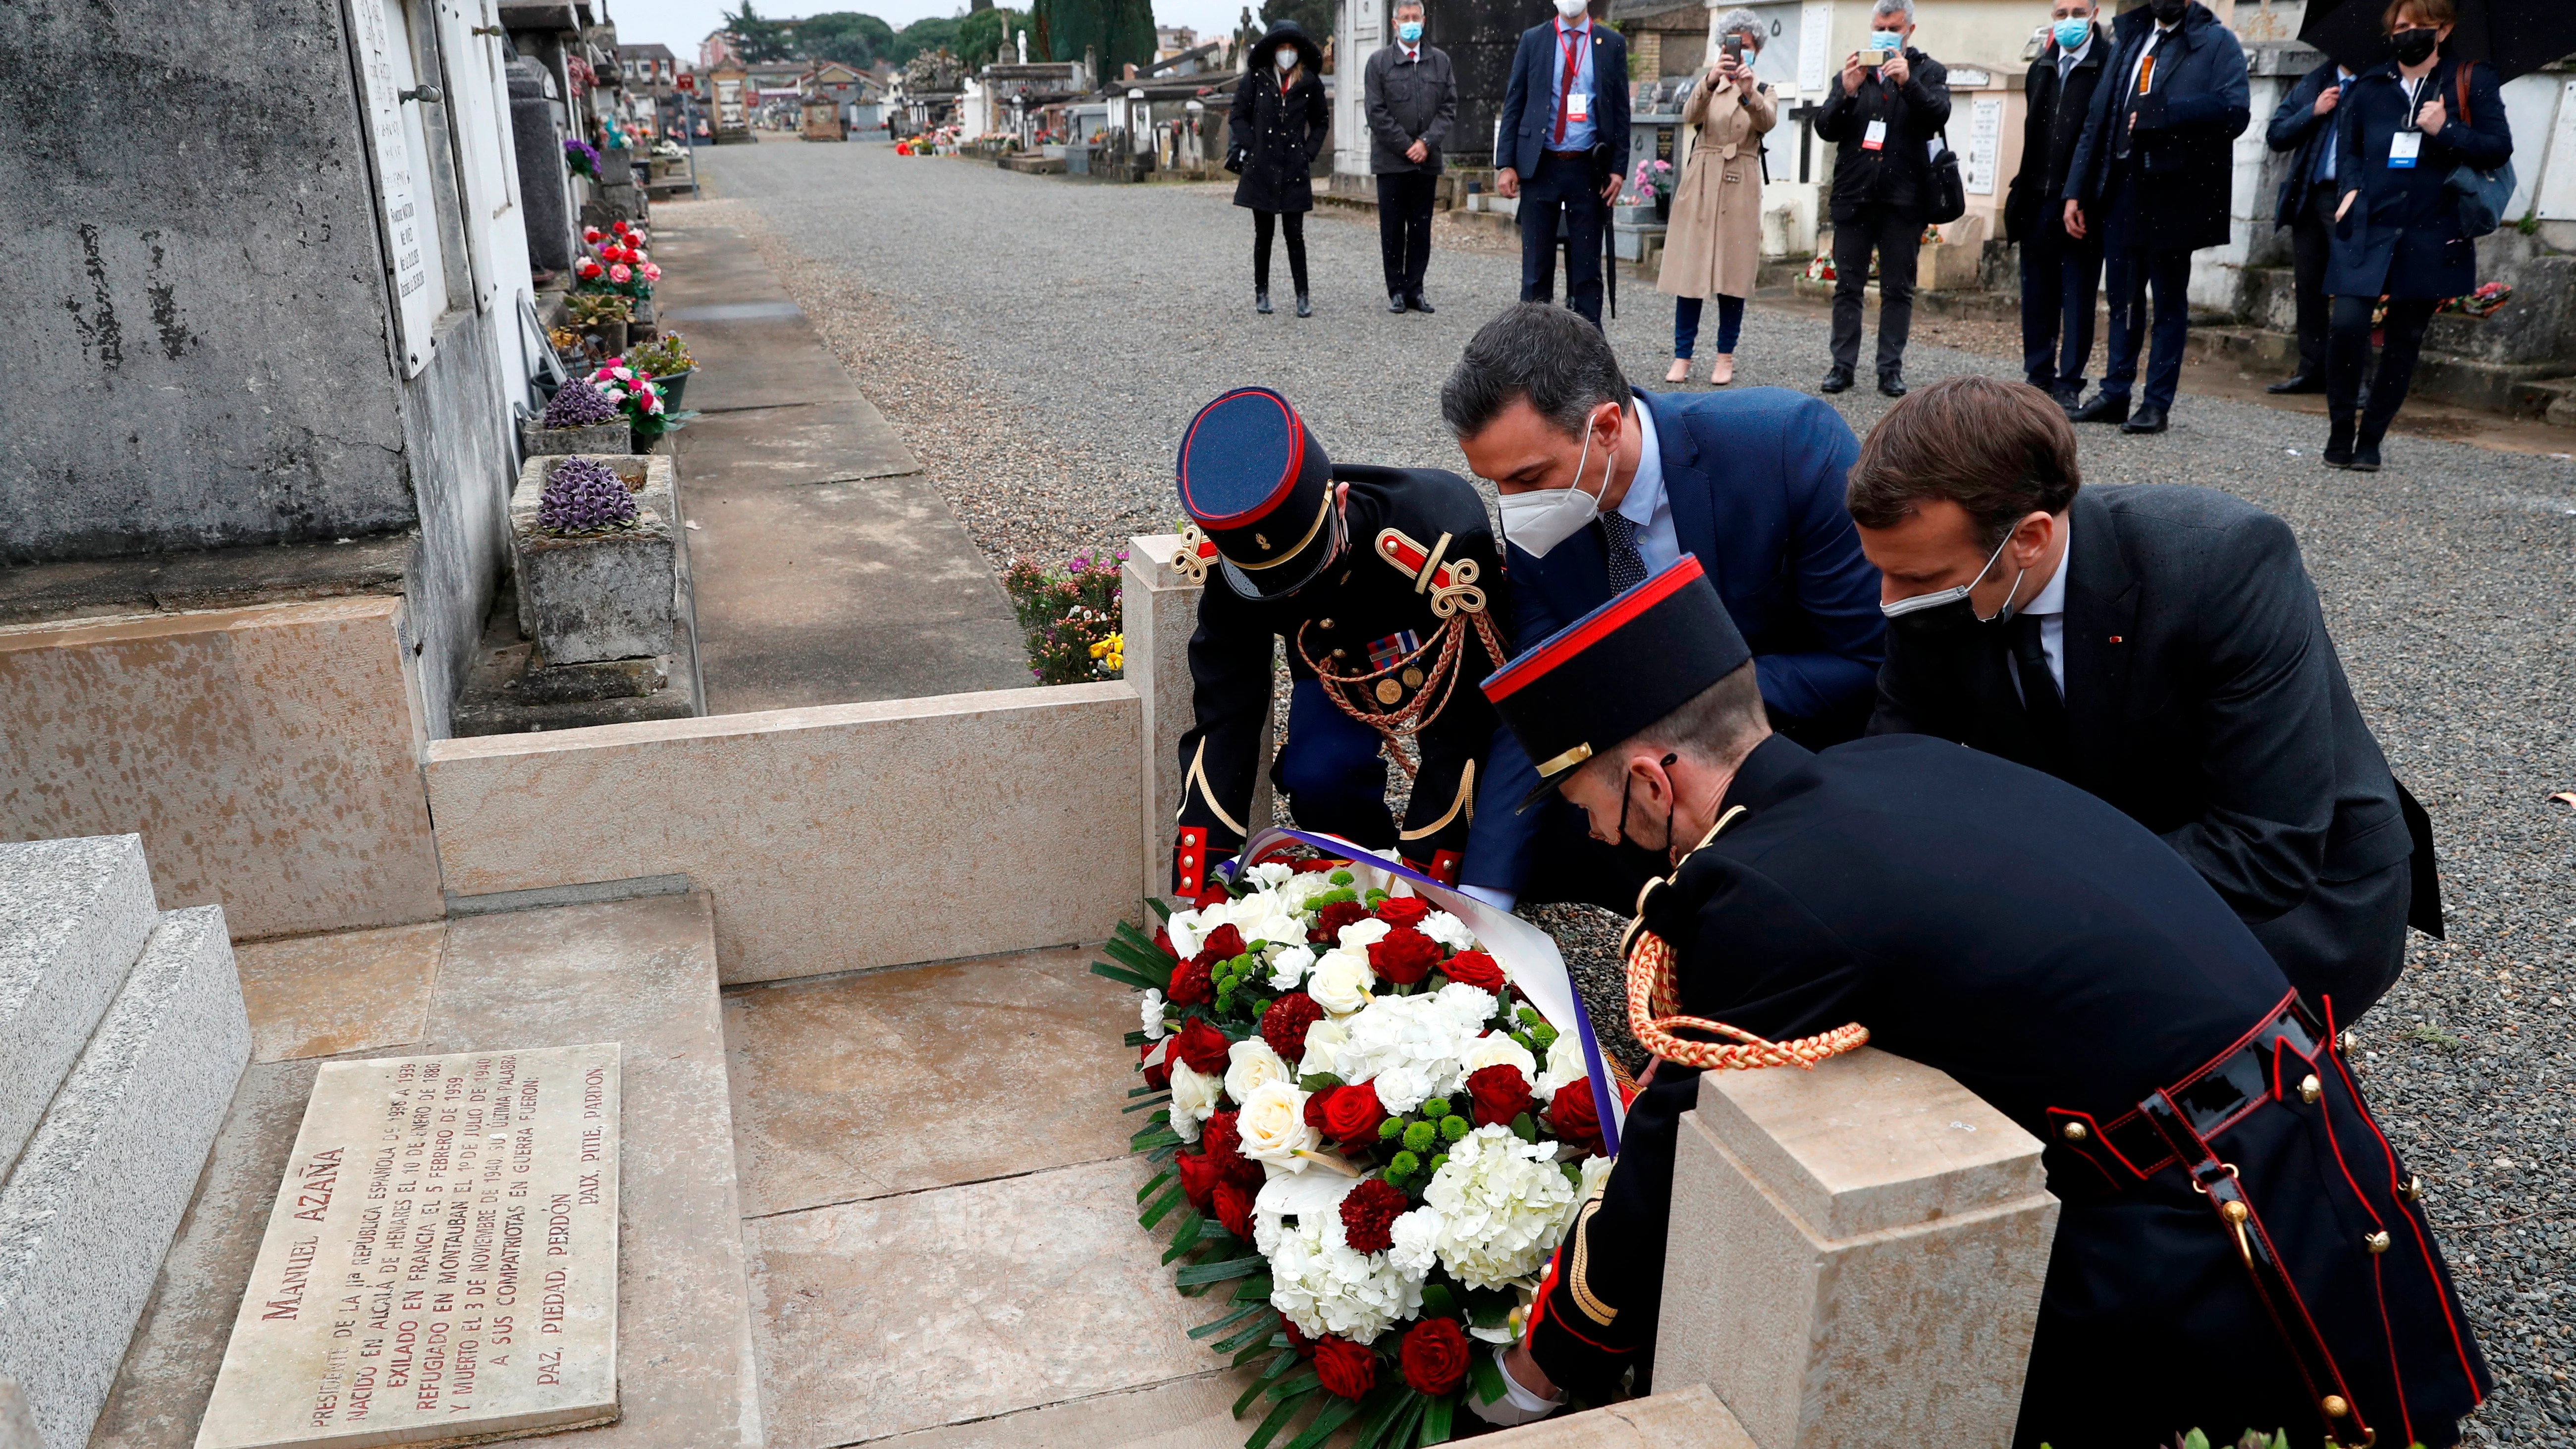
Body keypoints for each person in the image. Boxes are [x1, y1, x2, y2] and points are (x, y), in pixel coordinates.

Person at [1470, 559, 2491, 1447]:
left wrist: (1541, 1366)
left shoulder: (1752, 891)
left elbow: (1666, 1144)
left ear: (1652, 779)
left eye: (1590, 804)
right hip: (2313, 1138)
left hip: (2199, 1227)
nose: (1599, 837)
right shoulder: (1886, 763)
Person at [1846, 375, 2437, 1019]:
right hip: (2101, 857)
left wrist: (2013, 894)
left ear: (2030, 538)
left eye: (1918, 578)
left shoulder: (2224, 562)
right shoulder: (1931, 588)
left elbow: (2268, 848)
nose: (1890, 602)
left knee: (2035, 1017)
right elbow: (1895, 774)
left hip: (2296, 897)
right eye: (1881, 571)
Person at [1440, 302, 1885, 913]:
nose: (1512, 506)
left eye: (1527, 477)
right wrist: (1483, 898)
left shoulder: (1784, 447)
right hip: (1641, 779)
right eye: (1496, 485)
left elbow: (1868, 659)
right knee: (1525, 841)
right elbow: (1545, 690)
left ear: (1605, 428)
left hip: (1797, 756)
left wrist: (1674, 697)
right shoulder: (1546, 516)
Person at [1167, 386, 1511, 895]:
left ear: (1341, 500)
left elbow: (1463, 731)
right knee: (1320, 777)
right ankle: (1366, 864)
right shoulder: (1236, 563)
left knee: (1483, 789)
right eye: (1277, 587)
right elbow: (1224, 716)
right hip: (1334, 665)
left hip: (1434, 654)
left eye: (1307, 571)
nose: (1294, 595)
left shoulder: (1442, 544)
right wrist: (1203, 887)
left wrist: (1425, 888)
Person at [2322, 0, 2513, 471]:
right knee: (2347, 325)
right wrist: (2348, 191)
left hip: (2433, 227)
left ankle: (2372, 438)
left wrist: (2444, 129)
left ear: (2443, 30)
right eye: (2402, 26)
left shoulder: (2472, 80)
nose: (2410, 33)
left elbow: (2497, 148)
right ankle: (2341, 428)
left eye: (2422, 26)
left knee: (2404, 337)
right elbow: (2349, 149)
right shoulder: (2369, 84)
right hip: (2368, 223)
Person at [2061, 0, 2249, 434]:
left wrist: (2168, 112)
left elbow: (2235, 111)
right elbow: (2097, 119)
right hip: (2120, 186)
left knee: (2167, 301)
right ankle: (2115, 392)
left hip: (2173, 190)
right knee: (2123, 298)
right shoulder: (2130, 38)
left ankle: (2156, 403)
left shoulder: (2216, 42)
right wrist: (2076, 191)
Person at [1813, 0, 1949, 398]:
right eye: (1878, 26)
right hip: (1855, 195)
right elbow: (1826, 127)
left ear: (1909, 30)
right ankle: (1842, 367)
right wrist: (1847, 92)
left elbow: (1937, 117)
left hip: (1903, 199)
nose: (1884, 33)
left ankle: (1890, 369)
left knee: (1897, 289)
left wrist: (1910, 83)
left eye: (1892, 27)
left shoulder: (1929, 71)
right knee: (1848, 286)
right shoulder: (1857, 69)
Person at [1655, 8, 1776, 386]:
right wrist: (1710, 79)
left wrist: (1748, 92)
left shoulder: (1763, 88)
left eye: (1748, 45)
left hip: (1741, 183)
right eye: (1733, 44)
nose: (1740, 52)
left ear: (1757, 50)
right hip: (1703, 179)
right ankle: (1682, 355)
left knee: (1733, 274)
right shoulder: (1708, 84)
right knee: (1690, 272)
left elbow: (1767, 121)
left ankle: (1725, 356)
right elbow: (1690, 115)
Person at [1494, 0, 1630, 326]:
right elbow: (1515, 101)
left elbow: (1621, 110)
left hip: (1588, 167)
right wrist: (1506, 163)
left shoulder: (1611, 43)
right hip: (1542, 165)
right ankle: (1534, 347)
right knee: (1536, 270)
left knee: (1586, 269)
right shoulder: (1534, 40)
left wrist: (1618, 168)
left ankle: (1587, 351)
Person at [2004, 0, 2110, 409]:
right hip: (2037, 197)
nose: (2070, 21)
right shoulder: (2042, 67)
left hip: (2082, 201)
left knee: (2077, 295)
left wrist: (2080, 192)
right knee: (2037, 294)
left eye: (2078, 12)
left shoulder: (2108, 66)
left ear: (2095, 13)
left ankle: (2069, 382)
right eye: (2062, 13)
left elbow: (2098, 138)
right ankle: (2038, 376)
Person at [2262, 56, 2358, 394]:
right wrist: (2313, 111)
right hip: (2310, 192)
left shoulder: (2378, 84)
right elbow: (2276, 133)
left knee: (2353, 288)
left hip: (2353, 197)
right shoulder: (2317, 79)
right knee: (2309, 285)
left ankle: (2356, 379)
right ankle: (2313, 368)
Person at [1227, 20, 1331, 318]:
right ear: (1273, 50)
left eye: (1291, 48)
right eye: (1282, 48)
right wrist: (1253, 146)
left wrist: (1308, 152)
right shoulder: (1257, 79)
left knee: (1295, 234)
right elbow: (1237, 116)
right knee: (1264, 234)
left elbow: (1322, 121)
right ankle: (1262, 292)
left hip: (1294, 168)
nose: (1287, 53)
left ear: (1299, 51)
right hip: (1262, 168)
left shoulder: (1309, 83)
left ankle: (1303, 295)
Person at [1363, 0, 1459, 314]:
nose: (1411, 22)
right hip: (1392, 161)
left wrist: (1426, 143)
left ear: (1424, 20)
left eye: (1415, 17)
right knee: (1392, 228)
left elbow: (1448, 107)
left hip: (1427, 160)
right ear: (1394, 24)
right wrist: (1407, 145)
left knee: (1421, 227)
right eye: (1405, 18)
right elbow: (1376, 112)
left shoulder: (1440, 62)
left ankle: (1416, 289)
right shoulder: (1379, 63)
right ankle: (1396, 291)